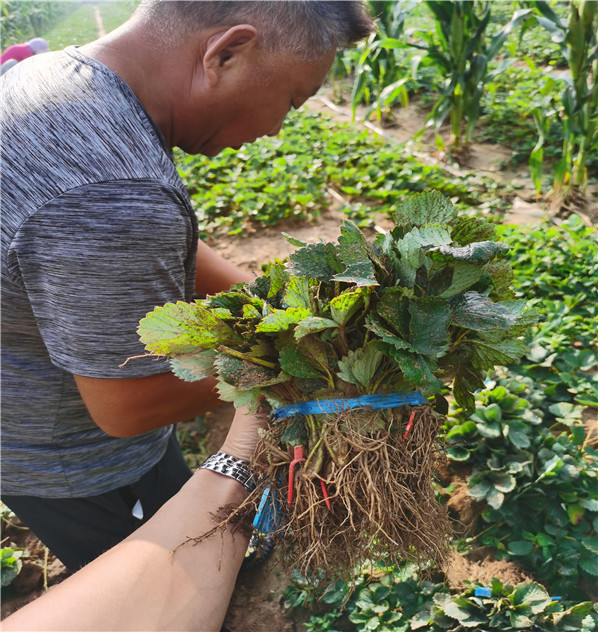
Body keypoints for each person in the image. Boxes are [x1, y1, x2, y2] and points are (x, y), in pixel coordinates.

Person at [1, 0, 374, 575]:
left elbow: (133, 248)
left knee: (171, 495)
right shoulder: (114, 192)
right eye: (290, 102)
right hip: (64, 455)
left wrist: (265, 304)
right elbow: (126, 407)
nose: (277, 128)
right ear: (226, 52)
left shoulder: (57, 78)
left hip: (36, 374)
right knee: (149, 582)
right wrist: (298, 360)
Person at [2, 406, 267, 632]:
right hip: (40, 473)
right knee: (106, 555)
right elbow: (119, 414)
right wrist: (237, 464)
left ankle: (228, 564)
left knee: (176, 512)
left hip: (146, 444)